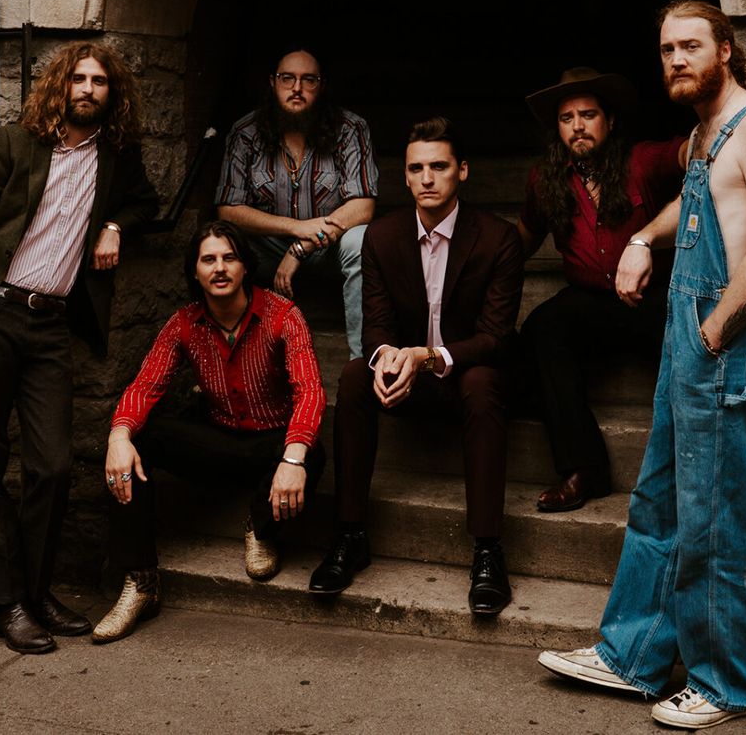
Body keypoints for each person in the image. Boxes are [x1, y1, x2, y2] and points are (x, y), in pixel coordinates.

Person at [537, 0, 746, 730]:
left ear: (726, 49)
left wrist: (709, 337)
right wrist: (641, 240)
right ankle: (634, 655)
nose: (676, 60)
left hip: (726, 352)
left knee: (720, 525)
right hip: (689, 348)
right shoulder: (706, 135)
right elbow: (693, 199)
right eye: (666, 50)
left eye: (690, 46)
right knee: (659, 506)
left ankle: (727, 684)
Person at [0, 41, 159, 654]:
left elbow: (147, 204)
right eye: (79, 79)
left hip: (51, 328)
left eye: (100, 81)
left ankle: (36, 593)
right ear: (61, 86)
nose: (88, 88)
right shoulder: (17, 143)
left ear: (112, 93)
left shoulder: (116, 155)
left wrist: (114, 226)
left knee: (53, 466)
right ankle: (6, 602)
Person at [308, 117, 524, 616]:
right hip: (406, 379)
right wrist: (388, 357)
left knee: (483, 382)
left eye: (439, 167)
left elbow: (495, 337)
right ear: (404, 177)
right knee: (355, 376)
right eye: (416, 169)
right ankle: (349, 535)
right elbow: (376, 327)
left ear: (462, 171)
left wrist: (427, 357)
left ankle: (488, 549)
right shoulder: (381, 237)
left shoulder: (498, 238)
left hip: (465, 377)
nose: (427, 178)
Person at [91, 221, 327, 644]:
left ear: (245, 266)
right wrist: (118, 437)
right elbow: (145, 387)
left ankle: (261, 527)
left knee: (313, 452)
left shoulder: (283, 316)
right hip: (218, 444)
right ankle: (141, 581)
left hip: (271, 447)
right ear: (195, 272)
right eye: (209, 260)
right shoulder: (184, 323)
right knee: (137, 440)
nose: (220, 268)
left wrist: (293, 457)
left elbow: (309, 391)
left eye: (229, 258)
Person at [518, 68, 687, 512]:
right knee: (541, 329)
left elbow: (698, 152)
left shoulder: (642, 160)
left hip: (652, 298)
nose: (577, 126)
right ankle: (584, 469)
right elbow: (523, 236)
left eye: (588, 115)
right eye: (566, 118)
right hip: (590, 302)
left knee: (691, 336)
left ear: (609, 121)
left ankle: (688, 474)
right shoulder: (545, 179)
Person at [215, 46, 378, 358]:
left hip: (329, 248)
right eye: (287, 78)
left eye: (308, 80)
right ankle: (230, 356)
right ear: (273, 82)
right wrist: (295, 228)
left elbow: (362, 207)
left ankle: (361, 361)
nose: (297, 88)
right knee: (220, 242)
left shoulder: (350, 129)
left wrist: (301, 246)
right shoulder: (245, 133)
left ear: (322, 85)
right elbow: (228, 209)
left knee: (361, 241)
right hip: (267, 250)